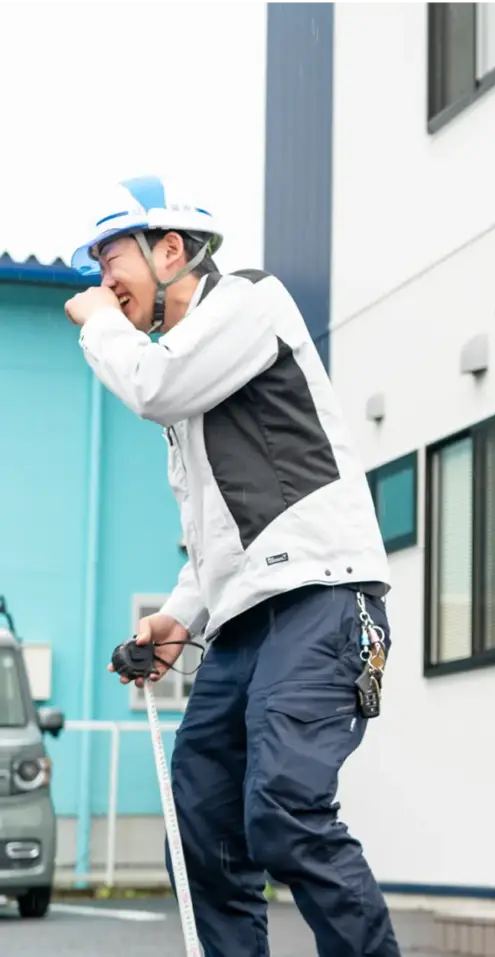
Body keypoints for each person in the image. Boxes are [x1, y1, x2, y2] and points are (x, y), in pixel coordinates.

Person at [63, 175, 402, 957]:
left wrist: (99, 326)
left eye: (113, 257)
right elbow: (214, 531)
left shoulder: (250, 302)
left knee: (284, 807)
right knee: (203, 822)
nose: (102, 280)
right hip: (246, 622)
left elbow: (155, 384)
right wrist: (180, 612)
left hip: (322, 598)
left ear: (171, 248)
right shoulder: (192, 370)